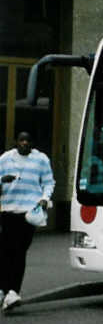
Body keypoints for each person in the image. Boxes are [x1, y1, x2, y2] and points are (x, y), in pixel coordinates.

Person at [0, 131, 54, 313]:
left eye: (28, 140)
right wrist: (2, 180)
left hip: (29, 213)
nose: (24, 143)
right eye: (21, 140)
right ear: (16, 141)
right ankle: (4, 289)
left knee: (19, 251)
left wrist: (45, 198)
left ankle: (13, 292)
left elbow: (49, 182)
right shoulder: (5, 159)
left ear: (33, 143)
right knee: (6, 252)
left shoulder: (41, 159)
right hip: (8, 211)